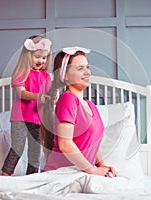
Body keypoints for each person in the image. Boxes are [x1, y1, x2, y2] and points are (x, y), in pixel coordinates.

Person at [41, 46, 116, 177]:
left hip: (80, 173)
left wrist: (101, 164)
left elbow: (91, 142)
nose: (87, 72)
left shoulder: (91, 105)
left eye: (87, 67)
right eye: (80, 68)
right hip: (61, 175)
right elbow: (65, 144)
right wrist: (91, 170)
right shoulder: (68, 99)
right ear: (65, 76)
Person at [1, 35, 52, 175]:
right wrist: (39, 96)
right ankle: (5, 175)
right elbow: (21, 93)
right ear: (28, 55)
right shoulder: (21, 72)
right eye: (37, 56)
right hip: (20, 118)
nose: (41, 60)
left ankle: (32, 178)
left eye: (44, 57)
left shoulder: (46, 77)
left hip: (37, 119)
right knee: (18, 147)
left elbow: (49, 95)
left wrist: (52, 99)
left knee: (35, 151)